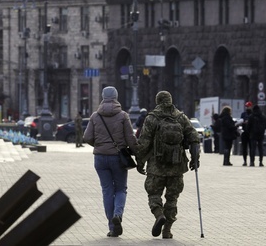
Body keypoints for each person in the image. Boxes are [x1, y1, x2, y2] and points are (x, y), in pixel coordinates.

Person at [135, 91, 200, 239]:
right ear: (171, 100)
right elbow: (194, 137)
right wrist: (195, 158)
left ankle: (159, 215)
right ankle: (167, 230)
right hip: (177, 166)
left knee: (153, 194)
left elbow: (144, 142)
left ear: (157, 101)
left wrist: (140, 161)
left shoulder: (152, 118)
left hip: (156, 166)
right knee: (172, 199)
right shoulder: (181, 117)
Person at [83, 86, 138, 238]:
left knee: (107, 191)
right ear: (116, 96)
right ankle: (118, 215)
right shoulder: (123, 116)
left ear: (102, 96)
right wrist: (137, 154)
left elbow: (86, 137)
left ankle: (112, 227)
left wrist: (99, 145)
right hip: (118, 158)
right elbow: (131, 139)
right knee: (121, 189)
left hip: (100, 158)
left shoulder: (95, 116)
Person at [240, 101, 253, 166]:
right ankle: (245, 161)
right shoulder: (243, 114)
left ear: (251, 106)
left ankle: (251, 161)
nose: (247, 107)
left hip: (251, 132)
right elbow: (241, 121)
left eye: (248, 106)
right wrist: (243, 123)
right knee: (244, 148)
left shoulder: (253, 114)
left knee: (251, 148)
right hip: (244, 132)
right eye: (246, 106)